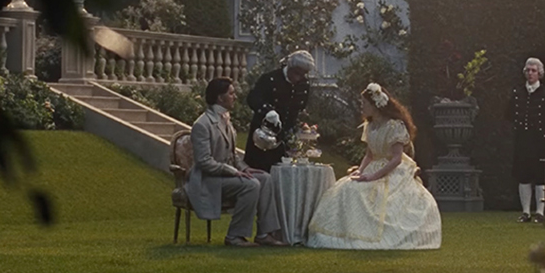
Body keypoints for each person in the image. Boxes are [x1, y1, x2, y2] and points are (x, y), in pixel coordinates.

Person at [303, 83, 443, 250]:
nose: (362, 107)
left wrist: (374, 176)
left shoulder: (394, 126)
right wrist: (360, 171)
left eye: (365, 103)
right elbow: (369, 155)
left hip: (391, 169)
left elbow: (397, 159)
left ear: (376, 104)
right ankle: (344, 232)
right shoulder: (370, 126)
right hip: (373, 166)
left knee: (370, 195)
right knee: (347, 187)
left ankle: (374, 234)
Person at [187, 77, 289, 247]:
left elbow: (233, 155)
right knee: (251, 185)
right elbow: (204, 162)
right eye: (231, 93)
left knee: (265, 178)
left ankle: (265, 233)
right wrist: (234, 172)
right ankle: (234, 236)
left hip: (225, 177)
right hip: (208, 180)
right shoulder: (202, 125)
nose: (235, 97)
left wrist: (245, 168)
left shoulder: (225, 119)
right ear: (220, 98)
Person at [244, 50, 316, 171]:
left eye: (303, 74)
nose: (298, 78)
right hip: (263, 136)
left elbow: (299, 108)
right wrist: (268, 111)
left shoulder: (304, 85)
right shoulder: (270, 79)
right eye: (297, 73)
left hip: (285, 138)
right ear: (290, 67)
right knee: (259, 171)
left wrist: (301, 127)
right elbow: (253, 98)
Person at [508, 57, 545, 223]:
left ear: (539, 73)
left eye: (533, 71)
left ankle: (540, 212)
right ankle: (525, 212)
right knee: (523, 176)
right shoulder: (518, 93)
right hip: (522, 140)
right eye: (528, 70)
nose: (530, 73)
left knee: (539, 177)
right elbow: (509, 114)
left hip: (540, 142)